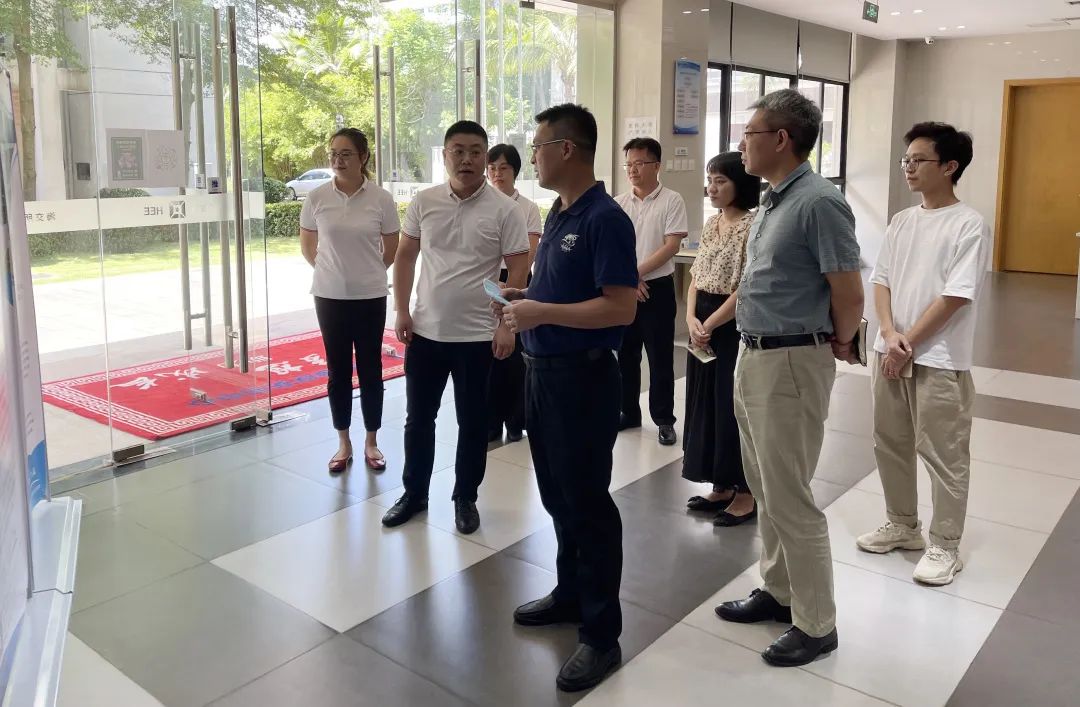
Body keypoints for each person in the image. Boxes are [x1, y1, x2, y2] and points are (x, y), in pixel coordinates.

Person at [713, 89, 864, 668]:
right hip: (755, 355)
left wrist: (840, 340)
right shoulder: (775, 200)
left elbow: (847, 291)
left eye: (748, 133)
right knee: (764, 483)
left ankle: (817, 623)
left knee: (790, 494)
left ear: (780, 139)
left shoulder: (819, 202)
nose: (741, 145)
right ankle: (778, 591)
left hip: (793, 361)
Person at [495, 104, 638, 692]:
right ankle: (571, 593)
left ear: (567, 149)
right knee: (557, 495)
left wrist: (543, 312)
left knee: (587, 503)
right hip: (542, 373)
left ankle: (602, 635)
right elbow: (564, 291)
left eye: (537, 146)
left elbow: (620, 307)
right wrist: (526, 298)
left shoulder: (605, 218)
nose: (532, 156)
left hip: (583, 379)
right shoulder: (558, 212)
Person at [856, 122, 988, 587]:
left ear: (949, 167)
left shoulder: (968, 224)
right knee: (889, 441)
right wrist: (888, 333)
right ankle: (902, 524)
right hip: (890, 350)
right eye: (906, 160)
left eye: (918, 160)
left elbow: (956, 296)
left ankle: (945, 544)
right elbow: (881, 280)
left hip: (939, 358)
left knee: (943, 453)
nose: (909, 168)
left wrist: (907, 342)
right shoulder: (902, 220)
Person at [382, 120, 530, 535]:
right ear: (445, 155)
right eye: (458, 151)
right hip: (426, 332)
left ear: (486, 156)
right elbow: (406, 256)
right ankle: (414, 494)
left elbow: (519, 267)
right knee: (418, 419)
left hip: (478, 336)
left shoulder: (505, 209)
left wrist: (506, 325)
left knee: (473, 421)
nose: (467, 159)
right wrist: (402, 310)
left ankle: (465, 497)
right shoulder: (424, 201)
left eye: (475, 152)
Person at [299, 128, 399, 474]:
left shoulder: (381, 199)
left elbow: (391, 247)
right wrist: (332, 274)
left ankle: (372, 440)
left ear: (363, 157)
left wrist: (367, 273)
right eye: (333, 153)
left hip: (370, 295)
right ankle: (343, 442)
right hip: (329, 296)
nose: (337, 160)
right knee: (337, 370)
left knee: (371, 369)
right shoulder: (317, 197)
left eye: (345, 154)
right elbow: (309, 247)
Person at [682, 152, 760, 526]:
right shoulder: (713, 222)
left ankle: (745, 493)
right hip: (702, 321)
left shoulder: (753, 225)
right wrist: (690, 317)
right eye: (710, 180)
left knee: (731, 407)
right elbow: (696, 276)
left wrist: (709, 323)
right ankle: (721, 484)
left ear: (740, 183)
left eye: (720, 181)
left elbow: (747, 286)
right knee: (705, 403)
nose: (711, 188)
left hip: (730, 324)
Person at [614, 138, 688, 446]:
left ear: (656, 166)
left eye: (639, 163)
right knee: (626, 355)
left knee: (660, 358)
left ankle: (664, 419)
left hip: (656, 288)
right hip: (624, 288)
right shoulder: (618, 203)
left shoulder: (672, 200)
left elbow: (672, 246)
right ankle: (628, 412)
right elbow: (613, 247)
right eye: (629, 164)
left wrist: (636, 274)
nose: (632, 170)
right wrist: (628, 279)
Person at [485, 144, 543, 443]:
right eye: (492, 168)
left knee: (515, 358)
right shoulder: (482, 203)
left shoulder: (527, 208)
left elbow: (528, 253)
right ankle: (491, 422)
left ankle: (516, 421)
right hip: (488, 283)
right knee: (489, 357)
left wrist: (510, 284)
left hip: (517, 282)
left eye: (503, 168)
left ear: (515, 171)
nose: (497, 173)